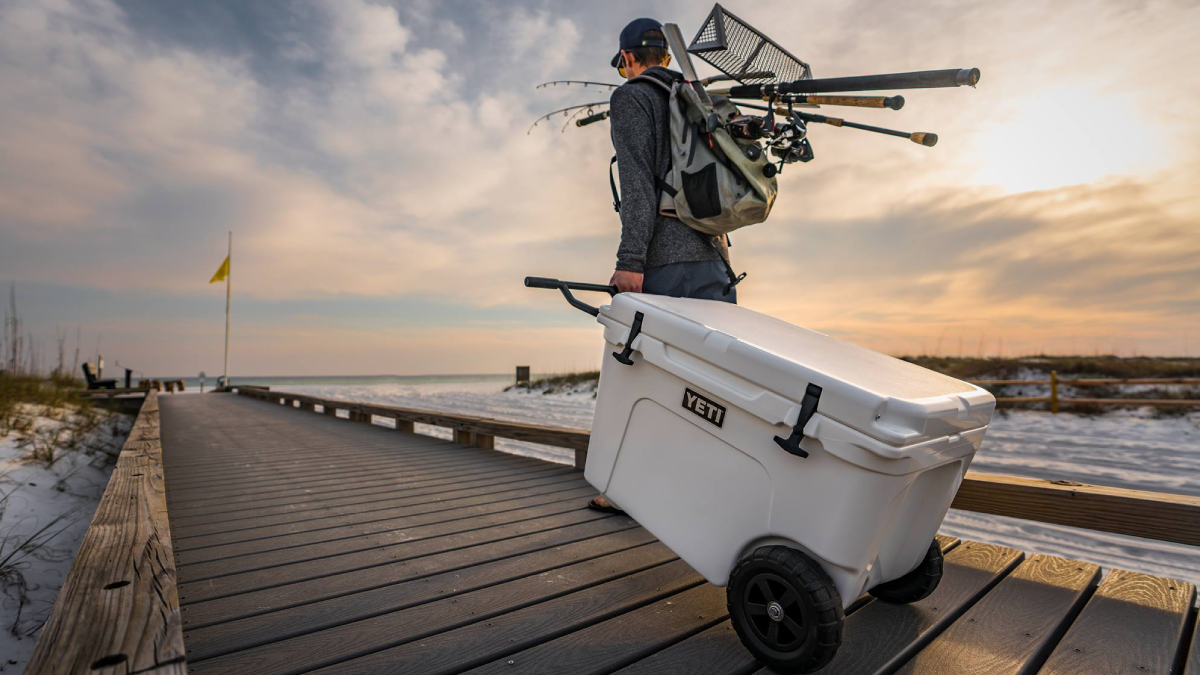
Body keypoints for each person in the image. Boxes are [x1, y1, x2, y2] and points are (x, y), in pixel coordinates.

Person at [589, 17, 739, 515]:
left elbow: (637, 184)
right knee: (708, 383)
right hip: (715, 260)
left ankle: (627, 489)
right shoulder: (698, 99)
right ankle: (700, 491)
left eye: (622, 64)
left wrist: (630, 261)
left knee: (642, 375)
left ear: (628, 58)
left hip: (664, 264)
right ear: (667, 56)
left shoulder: (631, 97)